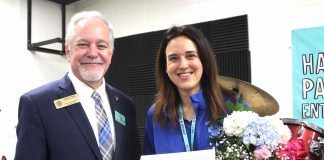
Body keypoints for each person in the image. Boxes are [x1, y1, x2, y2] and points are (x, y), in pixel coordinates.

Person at [15, 11, 141, 160]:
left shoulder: (126, 105)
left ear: (111, 53)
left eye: (101, 46)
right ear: (68, 51)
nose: (93, 53)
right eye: (83, 44)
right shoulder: (37, 105)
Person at [143, 25, 248, 154]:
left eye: (190, 56)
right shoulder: (155, 114)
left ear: (204, 61)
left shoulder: (233, 105)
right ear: (165, 67)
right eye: (173, 58)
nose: (183, 65)